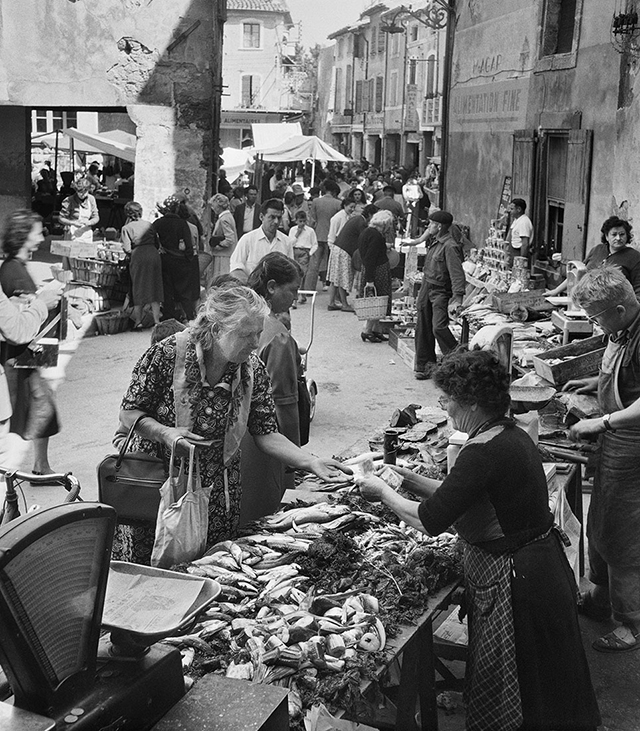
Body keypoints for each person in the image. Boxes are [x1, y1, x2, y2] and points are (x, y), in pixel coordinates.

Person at [356, 349, 600, 731]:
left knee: (526, 688)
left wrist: (381, 493)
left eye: (448, 400)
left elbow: (430, 519)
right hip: (540, 569)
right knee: (550, 679)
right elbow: (459, 493)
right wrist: (403, 476)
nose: (447, 409)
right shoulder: (508, 433)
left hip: (519, 582)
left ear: (470, 402)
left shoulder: (482, 451)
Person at [113, 284, 350, 564]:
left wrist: (310, 462)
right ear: (215, 330)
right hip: (161, 488)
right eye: (246, 335)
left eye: (258, 333)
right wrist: (164, 433)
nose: (254, 343)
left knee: (209, 570)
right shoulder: (167, 355)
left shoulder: (251, 368)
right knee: (154, 572)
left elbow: (266, 433)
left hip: (218, 495)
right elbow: (129, 413)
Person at [564, 267, 640, 653]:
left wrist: (603, 419)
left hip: (634, 445)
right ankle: (599, 598)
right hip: (615, 440)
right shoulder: (619, 327)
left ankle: (632, 624)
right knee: (601, 523)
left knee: (625, 535)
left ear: (622, 307)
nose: (594, 324)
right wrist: (595, 383)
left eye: (596, 316)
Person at [240, 253, 305, 523]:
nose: (295, 299)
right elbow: (284, 406)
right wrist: (294, 462)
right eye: (292, 291)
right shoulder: (277, 336)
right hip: (262, 449)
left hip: (232, 440)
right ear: (271, 287)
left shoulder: (239, 315)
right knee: (258, 522)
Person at [0, 210, 61, 478]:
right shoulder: (13, 270)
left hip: (24, 354)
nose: (41, 237)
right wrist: (44, 301)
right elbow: (17, 325)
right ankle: (32, 468)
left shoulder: (15, 267)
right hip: (20, 355)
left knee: (39, 406)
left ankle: (39, 465)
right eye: (37, 232)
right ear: (23, 236)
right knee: (34, 408)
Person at [408, 210, 465, 380]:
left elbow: (457, 274)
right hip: (427, 286)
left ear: (438, 226)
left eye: (431, 224)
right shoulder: (436, 241)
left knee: (438, 327)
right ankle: (425, 366)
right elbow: (425, 235)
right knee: (422, 326)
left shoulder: (449, 246)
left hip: (440, 291)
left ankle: (459, 362)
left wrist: (458, 297)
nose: (428, 226)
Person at [546, 216, 640, 298]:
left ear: (627, 236)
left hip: (614, 307)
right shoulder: (597, 250)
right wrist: (555, 291)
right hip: (587, 302)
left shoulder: (634, 257)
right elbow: (578, 273)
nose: (618, 238)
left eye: (622, 234)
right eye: (614, 234)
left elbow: (638, 289)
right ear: (607, 236)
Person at [152, 195, 199, 322]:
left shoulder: (158, 223)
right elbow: (189, 245)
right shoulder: (182, 223)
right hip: (181, 261)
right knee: (184, 292)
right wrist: (188, 259)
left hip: (165, 260)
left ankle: (169, 317)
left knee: (167, 291)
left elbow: (153, 240)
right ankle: (190, 318)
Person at [229, 198, 294, 283]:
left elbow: (291, 271)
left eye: (279, 218)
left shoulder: (286, 242)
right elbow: (235, 269)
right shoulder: (247, 240)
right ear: (261, 217)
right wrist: (251, 286)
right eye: (272, 217)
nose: (276, 221)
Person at [120, 202, 163, 329]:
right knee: (155, 287)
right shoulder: (149, 225)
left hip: (138, 256)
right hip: (153, 255)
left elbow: (127, 249)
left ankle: (138, 322)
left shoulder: (126, 228)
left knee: (138, 287)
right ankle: (156, 321)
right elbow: (157, 243)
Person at [357, 209, 394, 342]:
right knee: (376, 302)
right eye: (389, 225)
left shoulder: (368, 232)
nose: (390, 228)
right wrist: (370, 280)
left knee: (378, 301)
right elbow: (370, 257)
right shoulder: (376, 236)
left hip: (374, 269)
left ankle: (376, 329)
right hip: (376, 271)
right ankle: (367, 330)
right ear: (384, 224)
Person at [306, 180, 342, 292]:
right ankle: (330, 286)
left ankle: (309, 288)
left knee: (314, 264)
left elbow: (312, 219)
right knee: (331, 263)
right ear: (335, 191)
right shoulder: (338, 203)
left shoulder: (316, 201)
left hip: (317, 234)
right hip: (332, 236)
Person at [326, 197, 357, 311]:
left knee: (335, 278)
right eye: (351, 207)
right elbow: (332, 235)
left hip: (340, 247)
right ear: (345, 206)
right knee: (340, 277)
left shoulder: (348, 217)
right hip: (337, 247)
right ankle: (343, 303)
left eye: (354, 207)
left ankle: (331, 302)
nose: (352, 209)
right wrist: (332, 248)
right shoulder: (337, 218)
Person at [287, 210, 318, 304]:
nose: (302, 223)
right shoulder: (293, 230)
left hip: (304, 252)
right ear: (296, 221)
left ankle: (297, 297)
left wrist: (310, 253)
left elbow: (315, 244)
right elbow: (289, 243)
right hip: (294, 251)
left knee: (301, 274)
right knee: (293, 273)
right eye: (300, 221)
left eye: (304, 221)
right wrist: (297, 234)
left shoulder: (310, 231)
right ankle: (301, 294)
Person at [58, 177, 99, 242]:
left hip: (86, 234)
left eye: (85, 191)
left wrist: (89, 222)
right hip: (72, 234)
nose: (82, 194)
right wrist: (73, 222)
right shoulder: (69, 200)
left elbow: (96, 217)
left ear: (88, 190)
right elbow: (61, 218)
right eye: (80, 192)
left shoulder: (91, 199)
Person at [208, 193, 238, 279]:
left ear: (219, 206)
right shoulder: (228, 216)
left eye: (213, 206)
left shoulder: (224, 219)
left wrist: (218, 245)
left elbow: (229, 239)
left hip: (223, 256)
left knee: (221, 279)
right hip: (225, 255)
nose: (213, 208)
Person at [506, 198, 533, 265]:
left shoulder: (524, 222)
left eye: (512, 209)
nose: (510, 211)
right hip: (512, 255)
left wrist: (521, 262)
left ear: (519, 209)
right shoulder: (516, 220)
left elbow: (525, 244)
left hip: (517, 255)